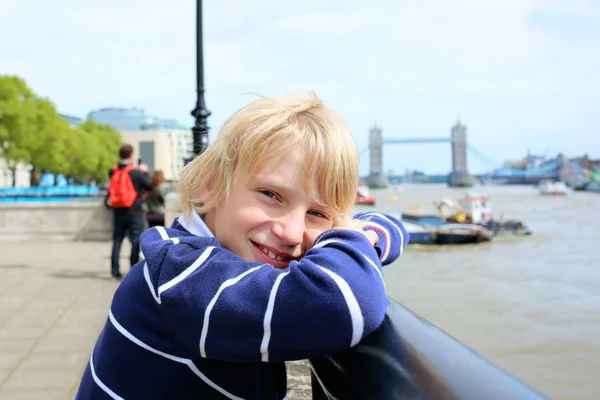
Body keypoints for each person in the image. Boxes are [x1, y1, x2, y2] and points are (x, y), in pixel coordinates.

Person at [75, 92, 409, 399]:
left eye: (317, 213)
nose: (292, 233)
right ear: (210, 185)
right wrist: (360, 236)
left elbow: (389, 227)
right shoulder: (183, 278)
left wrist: (369, 231)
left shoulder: (200, 260)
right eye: (271, 195)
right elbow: (343, 304)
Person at [107, 144, 152, 279]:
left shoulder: (112, 171)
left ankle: (115, 270)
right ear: (131, 155)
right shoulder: (136, 172)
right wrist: (144, 171)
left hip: (117, 209)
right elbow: (149, 185)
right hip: (134, 211)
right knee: (135, 239)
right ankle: (133, 269)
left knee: (117, 239)